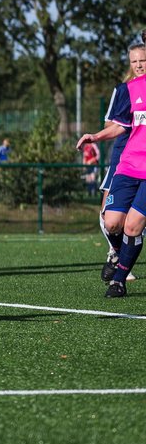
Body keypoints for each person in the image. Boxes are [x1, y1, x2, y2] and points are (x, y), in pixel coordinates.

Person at [76, 67, 146, 296]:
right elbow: (121, 125)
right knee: (111, 223)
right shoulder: (132, 88)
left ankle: (119, 280)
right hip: (129, 165)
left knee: (133, 226)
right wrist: (95, 136)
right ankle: (119, 253)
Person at [95, 42, 146, 282]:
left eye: (142, 60)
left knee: (134, 223)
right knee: (109, 216)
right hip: (124, 156)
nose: (138, 65)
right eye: (134, 61)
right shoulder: (124, 90)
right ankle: (115, 252)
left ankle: (123, 267)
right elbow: (111, 124)